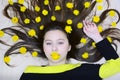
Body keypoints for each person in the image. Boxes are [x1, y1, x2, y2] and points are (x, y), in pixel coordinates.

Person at [0, 0, 120, 80]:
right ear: (43, 46)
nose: (54, 48)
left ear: (69, 47)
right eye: (48, 43)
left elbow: (116, 65)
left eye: (60, 42)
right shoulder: (30, 73)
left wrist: (96, 37)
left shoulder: (84, 71)